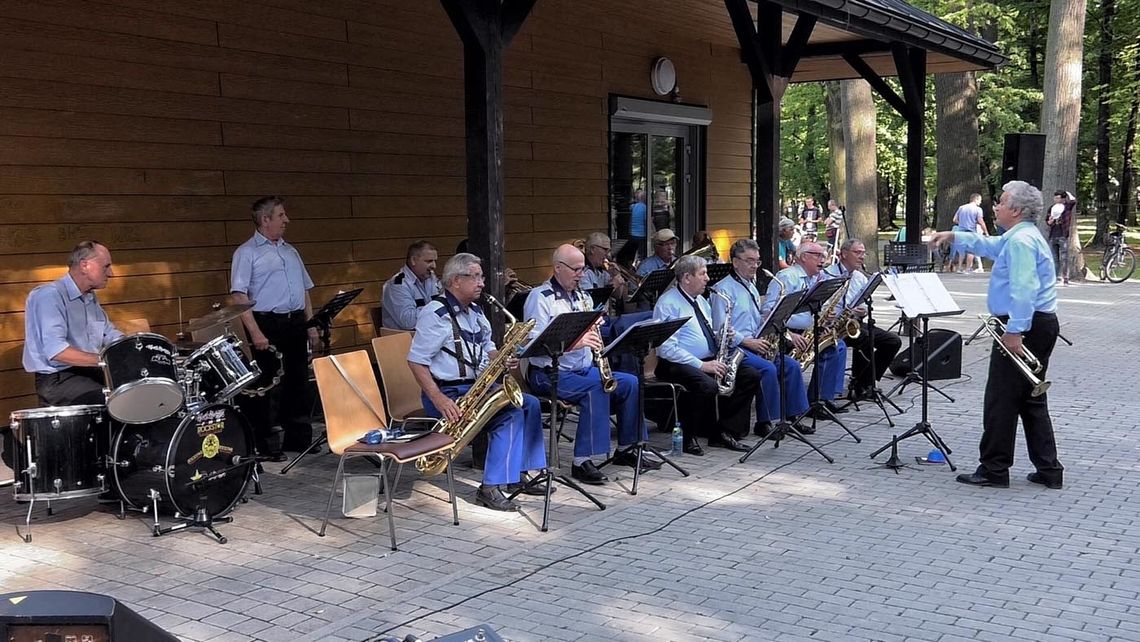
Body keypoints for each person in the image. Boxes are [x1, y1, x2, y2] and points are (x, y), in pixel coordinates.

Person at [928, 180, 1064, 489]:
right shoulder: (1021, 235)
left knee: (1001, 399)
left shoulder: (1020, 242)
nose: (996, 207)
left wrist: (1015, 330)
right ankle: (1049, 469)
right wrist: (954, 235)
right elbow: (989, 246)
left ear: (1015, 210)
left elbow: (1024, 288)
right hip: (1038, 324)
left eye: (1001, 202)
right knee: (1031, 398)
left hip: (1025, 326)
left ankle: (993, 468)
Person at [408, 253, 547, 510]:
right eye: (476, 277)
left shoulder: (475, 311)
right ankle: (490, 488)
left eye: (481, 276)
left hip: (474, 387)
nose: (482, 283)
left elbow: (487, 346)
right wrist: (439, 399)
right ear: (455, 281)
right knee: (509, 414)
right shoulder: (435, 314)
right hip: (448, 392)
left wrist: (502, 359)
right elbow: (416, 361)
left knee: (530, 404)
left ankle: (519, 475)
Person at [524, 245, 654, 485]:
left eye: (582, 269)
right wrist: (577, 342)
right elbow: (535, 345)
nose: (581, 275)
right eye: (575, 270)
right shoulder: (540, 298)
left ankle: (627, 448)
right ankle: (582, 461)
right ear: (558, 268)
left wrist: (598, 328)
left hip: (583, 370)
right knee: (596, 390)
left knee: (630, 382)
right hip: (550, 373)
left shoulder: (583, 297)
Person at [231, 196, 319, 462]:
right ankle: (268, 443)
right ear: (265, 219)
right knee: (270, 385)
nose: (286, 220)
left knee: (298, 380)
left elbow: (304, 290)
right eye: (281, 216)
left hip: (294, 321)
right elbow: (239, 295)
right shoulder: (246, 253)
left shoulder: (290, 251)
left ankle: (298, 438)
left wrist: (311, 324)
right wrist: (255, 332)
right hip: (267, 321)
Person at [653, 256, 761, 455]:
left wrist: (722, 335)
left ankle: (724, 432)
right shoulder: (668, 303)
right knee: (707, 385)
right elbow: (665, 348)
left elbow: (705, 332)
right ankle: (688, 437)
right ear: (686, 277)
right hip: (675, 363)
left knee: (750, 375)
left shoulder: (701, 301)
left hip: (705, 359)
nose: (707, 278)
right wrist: (701, 366)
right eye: (702, 274)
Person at [711, 239, 810, 437]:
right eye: (749, 261)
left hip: (755, 344)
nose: (754, 266)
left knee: (790, 365)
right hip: (735, 349)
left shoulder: (751, 285)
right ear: (735, 262)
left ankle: (793, 416)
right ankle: (766, 422)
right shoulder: (722, 289)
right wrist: (748, 341)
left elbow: (756, 319)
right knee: (767, 369)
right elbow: (721, 329)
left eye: (757, 261)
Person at [23, 240, 124, 406]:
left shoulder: (90, 298)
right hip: (57, 379)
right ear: (85, 265)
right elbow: (57, 351)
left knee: (137, 390)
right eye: (106, 267)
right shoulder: (49, 296)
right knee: (117, 401)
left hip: (90, 371)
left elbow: (109, 334)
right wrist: (106, 359)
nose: (111, 273)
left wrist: (134, 349)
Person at [763, 242, 848, 421]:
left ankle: (821, 399)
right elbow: (769, 312)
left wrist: (826, 315)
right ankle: (797, 409)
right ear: (803, 257)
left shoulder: (816, 278)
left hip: (807, 330)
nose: (822, 260)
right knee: (791, 365)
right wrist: (789, 334)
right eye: (817, 256)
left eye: (823, 256)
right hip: (787, 333)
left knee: (836, 346)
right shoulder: (787, 277)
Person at [823, 239, 902, 399]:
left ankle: (865, 382)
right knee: (865, 339)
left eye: (863, 253)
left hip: (853, 323)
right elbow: (821, 305)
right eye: (857, 252)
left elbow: (864, 303)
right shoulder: (827, 275)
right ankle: (858, 385)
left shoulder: (859, 277)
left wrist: (862, 312)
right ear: (844, 254)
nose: (862, 257)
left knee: (893, 341)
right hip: (833, 327)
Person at [381, 240, 441, 331]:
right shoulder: (397, 285)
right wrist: (439, 308)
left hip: (429, 336)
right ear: (413, 260)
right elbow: (409, 322)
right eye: (429, 261)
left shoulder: (431, 278)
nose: (434, 266)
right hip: (403, 341)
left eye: (434, 261)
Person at [580, 232, 628, 301]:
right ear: (592, 249)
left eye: (609, 251)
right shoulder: (583, 272)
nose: (608, 255)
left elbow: (618, 295)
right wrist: (613, 285)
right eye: (605, 249)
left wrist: (616, 275)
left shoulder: (601, 271)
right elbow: (591, 301)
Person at [1046, 190, 1075, 285]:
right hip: (1053, 235)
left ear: (1062, 198)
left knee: (1064, 257)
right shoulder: (1052, 208)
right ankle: (1056, 277)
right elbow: (1048, 220)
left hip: (1062, 235)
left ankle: (1065, 277)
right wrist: (1049, 222)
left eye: (1058, 198)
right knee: (1054, 258)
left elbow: (1073, 201)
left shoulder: (1066, 207)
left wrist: (1068, 193)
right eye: (1055, 198)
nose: (1056, 200)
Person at [952, 194, 984, 273]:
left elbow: (954, 219)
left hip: (961, 231)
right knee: (971, 250)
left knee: (961, 250)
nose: (980, 202)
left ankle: (959, 268)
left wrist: (962, 224)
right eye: (980, 200)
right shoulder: (978, 209)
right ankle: (968, 268)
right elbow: (981, 221)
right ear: (976, 200)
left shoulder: (961, 207)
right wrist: (985, 231)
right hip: (971, 231)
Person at [629, 189, 648, 260]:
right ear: (644, 198)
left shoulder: (632, 207)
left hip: (632, 234)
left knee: (633, 252)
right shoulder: (645, 208)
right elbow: (646, 221)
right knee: (641, 254)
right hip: (642, 234)